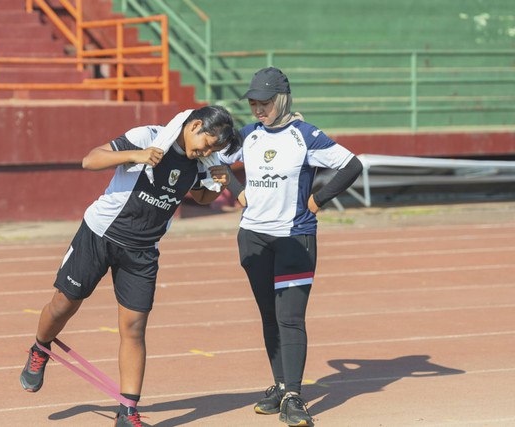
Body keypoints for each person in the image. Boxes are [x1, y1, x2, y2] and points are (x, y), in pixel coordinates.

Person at [19, 105, 241, 427]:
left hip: (142, 251)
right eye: (206, 143)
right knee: (63, 305)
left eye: (213, 150)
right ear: (194, 125)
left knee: (134, 328)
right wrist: (134, 156)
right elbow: (90, 159)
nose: (206, 152)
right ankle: (40, 347)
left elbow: (200, 198)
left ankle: (127, 412)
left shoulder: (202, 162)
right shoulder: (146, 136)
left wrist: (217, 185)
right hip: (99, 235)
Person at [219, 67, 363, 427]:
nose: (257, 109)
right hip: (252, 236)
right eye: (252, 102)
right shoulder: (247, 136)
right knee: (269, 316)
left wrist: (318, 199)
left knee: (290, 318)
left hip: (295, 237)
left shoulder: (306, 136)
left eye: (264, 102)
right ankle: (281, 385)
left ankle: (294, 396)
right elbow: (212, 161)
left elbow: (351, 165)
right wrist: (238, 193)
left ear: (281, 100)